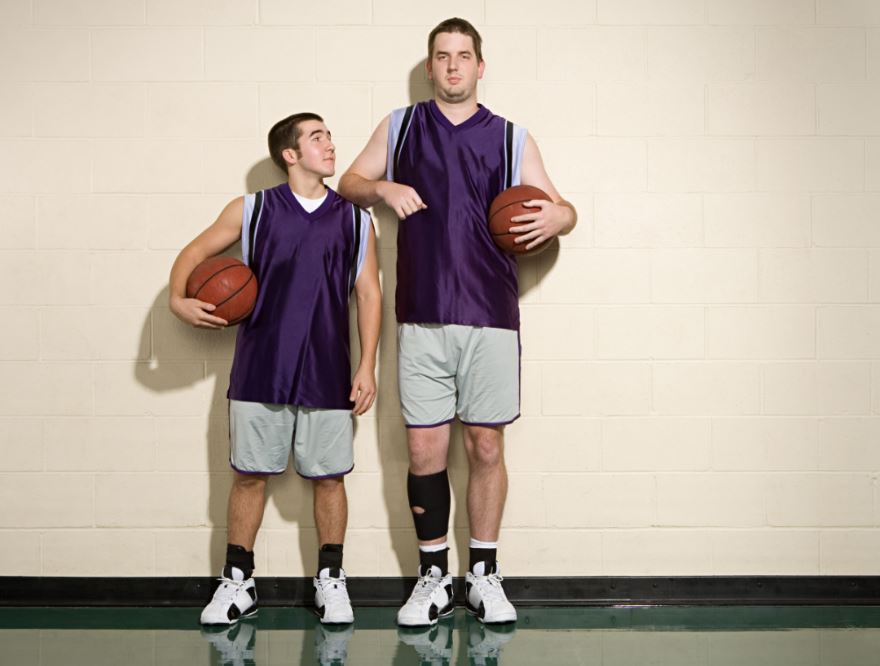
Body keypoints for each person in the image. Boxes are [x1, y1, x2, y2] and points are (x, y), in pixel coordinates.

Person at [339, 17, 577, 627]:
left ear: (480, 65)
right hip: (420, 315)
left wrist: (561, 218)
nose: (452, 66)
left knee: (485, 445)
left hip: (491, 314)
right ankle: (432, 579)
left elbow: (562, 205)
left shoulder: (511, 137)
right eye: (442, 56)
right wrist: (383, 188)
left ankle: (484, 576)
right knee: (425, 450)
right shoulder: (400, 125)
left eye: (463, 56)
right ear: (429, 66)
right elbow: (348, 183)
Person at [168, 112, 381, 626]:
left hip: (328, 369)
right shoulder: (253, 209)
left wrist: (368, 364)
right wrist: (178, 301)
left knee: (329, 480)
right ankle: (238, 583)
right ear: (290, 154)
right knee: (248, 477)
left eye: (328, 135)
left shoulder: (355, 219)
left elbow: (370, 293)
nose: (330, 144)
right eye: (317, 137)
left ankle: (331, 580)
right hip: (261, 367)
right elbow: (195, 251)